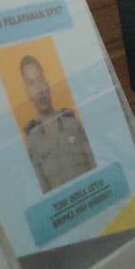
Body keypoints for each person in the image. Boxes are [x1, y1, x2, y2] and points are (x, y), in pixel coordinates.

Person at [20, 54, 96, 193]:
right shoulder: (33, 142)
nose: (39, 90)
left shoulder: (73, 124)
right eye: (31, 83)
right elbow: (44, 191)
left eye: (40, 80)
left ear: (47, 84)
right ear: (27, 92)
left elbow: (95, 167)